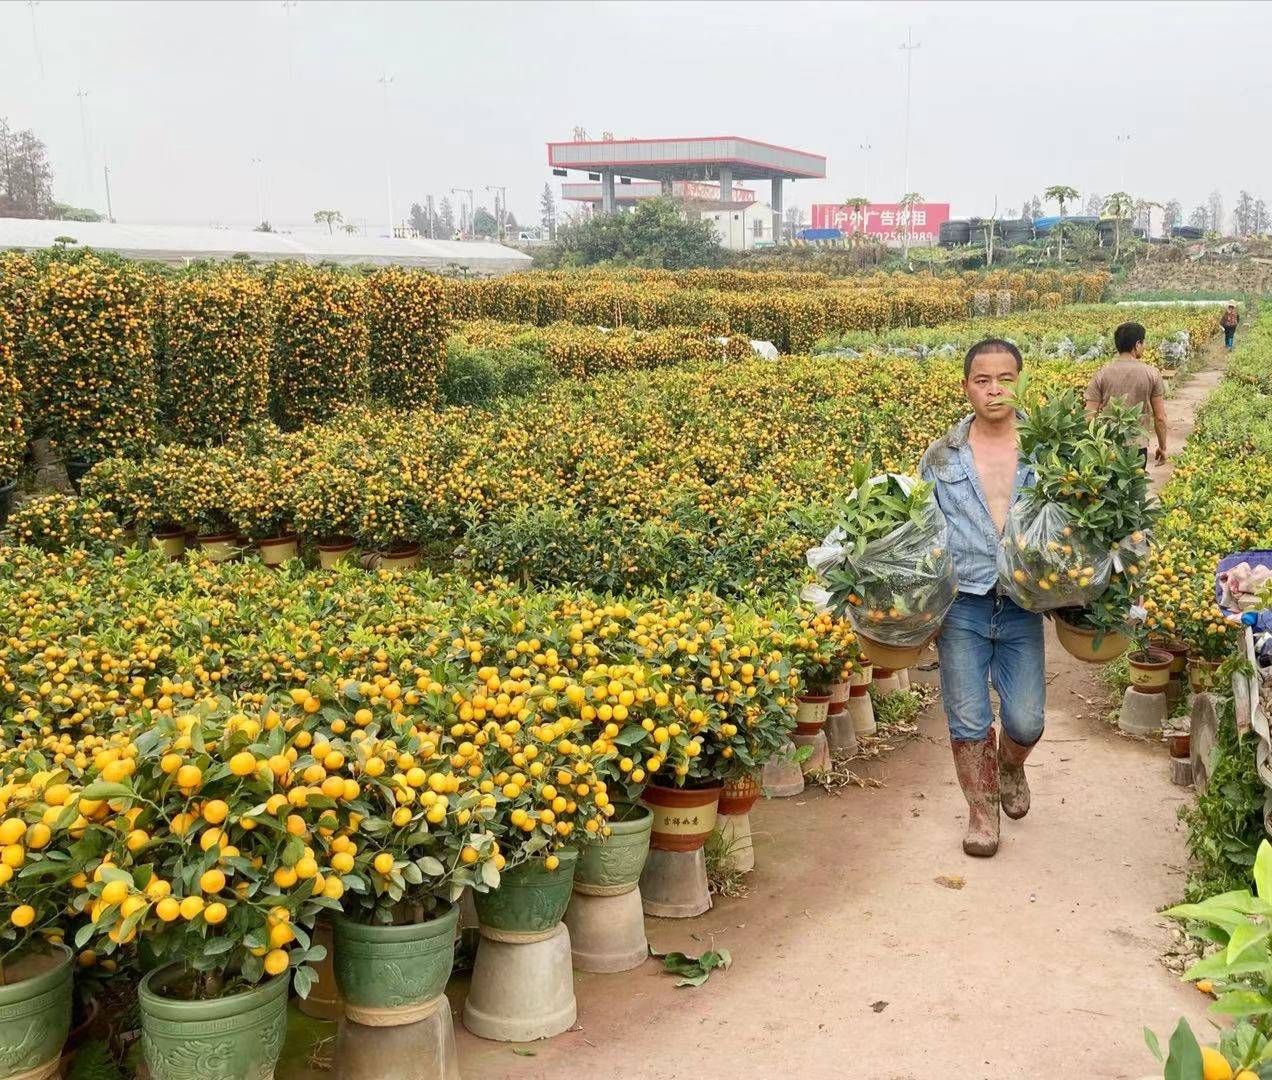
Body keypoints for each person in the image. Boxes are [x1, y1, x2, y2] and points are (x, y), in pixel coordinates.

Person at [919, 339, 1044, 858]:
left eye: (1006, 378)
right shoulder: (942, 454)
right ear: (967, 386)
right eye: (983, 380)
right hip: (963, 603)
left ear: (1021, 381)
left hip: (1021, 603)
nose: (995, 389)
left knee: (1026, 720)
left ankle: (1011, 763)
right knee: (968, 717)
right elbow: (919, 527)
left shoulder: (1043, 447)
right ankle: (980, 813)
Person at [1084, 321, 1167, 466]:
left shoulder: (1101, 374)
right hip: (1137, 446)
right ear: (1137, 344)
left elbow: (1088, 416)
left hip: (1108, 447)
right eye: (1143, 343)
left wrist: (1091, 447)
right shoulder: (1151, 373)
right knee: (1135, 486)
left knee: (1111, 488)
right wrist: (1162, 447)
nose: (1144, 347)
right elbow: (1160, 418)